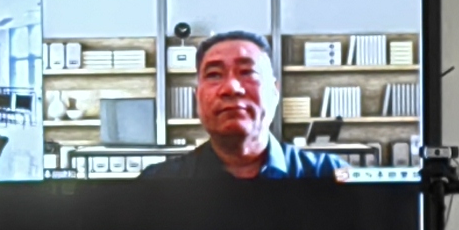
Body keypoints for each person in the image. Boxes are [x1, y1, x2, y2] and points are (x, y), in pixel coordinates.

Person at [138, 29, 341, 187]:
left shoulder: (330, 174)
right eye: (214, 75)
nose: (231, 88)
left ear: (275, 92)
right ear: (197, 97)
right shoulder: (156, 184)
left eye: (247, 72)